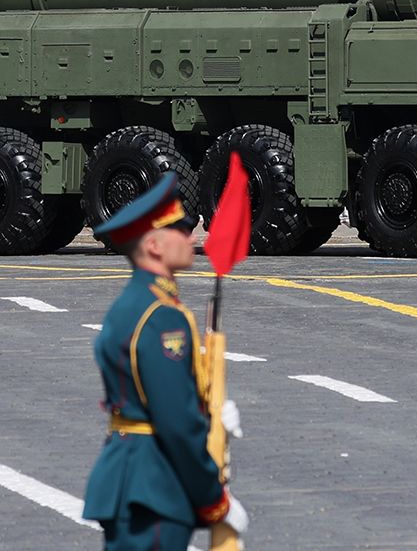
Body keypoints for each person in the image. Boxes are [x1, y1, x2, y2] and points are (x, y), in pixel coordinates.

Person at [83, 173, 249, 551]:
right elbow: (175, 420)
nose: (193, 238)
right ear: (155, 245)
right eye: (182, 229)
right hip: (155, 485)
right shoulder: (162, 317)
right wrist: (214, 499)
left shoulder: (133, 303)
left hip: (134, 478)